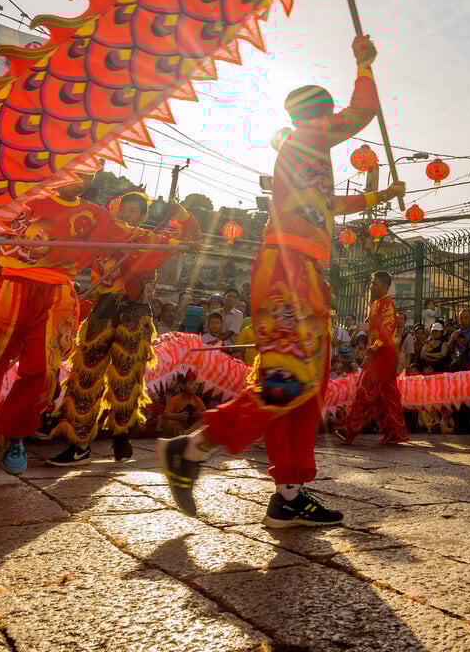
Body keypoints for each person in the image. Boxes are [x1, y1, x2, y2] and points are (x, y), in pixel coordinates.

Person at [159, 34, 406, 528]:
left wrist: (378, 199)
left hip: (303, 269)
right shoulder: (307, 141)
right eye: (327, 114)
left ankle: (289, 493)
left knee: (306, 385)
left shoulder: (306, 160)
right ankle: (193, 448)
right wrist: (362, 65)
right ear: (314, 116)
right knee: (286, 380)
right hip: (289, 268)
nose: (334, 124)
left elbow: (328, 206)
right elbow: (362, 112)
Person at [0, 174, 121, 486]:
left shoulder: (96, 215)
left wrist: (176, 237)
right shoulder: (23, 198)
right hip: (10, 289)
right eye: (80, 162)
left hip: (57, 297)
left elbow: (127, 239)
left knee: (41, 372)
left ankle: (13, 433)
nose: (85, 173)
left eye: (93, 167)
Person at [50, 193, 198, 466]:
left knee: (127, 378)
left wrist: (184, 216)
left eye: (134, 211)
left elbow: (193, 240)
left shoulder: (151, 240)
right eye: (123, 209)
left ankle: (122, 433)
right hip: (102, 311)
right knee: (85, 376)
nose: (127, 214)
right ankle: (79, 444)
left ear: (143, 216)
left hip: (134, 313)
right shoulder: (103, 238)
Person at [337, 271, 408, 446]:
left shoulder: (387, 303)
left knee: (367, 389)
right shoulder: (375, 303)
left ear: (384, 286)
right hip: (380, 351)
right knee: (387, 394)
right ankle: (395, 432)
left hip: (385, 351)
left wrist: (376, 345)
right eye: (371, 282)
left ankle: (349, 429)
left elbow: (389, 325)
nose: (371, 286)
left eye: (375, 283)